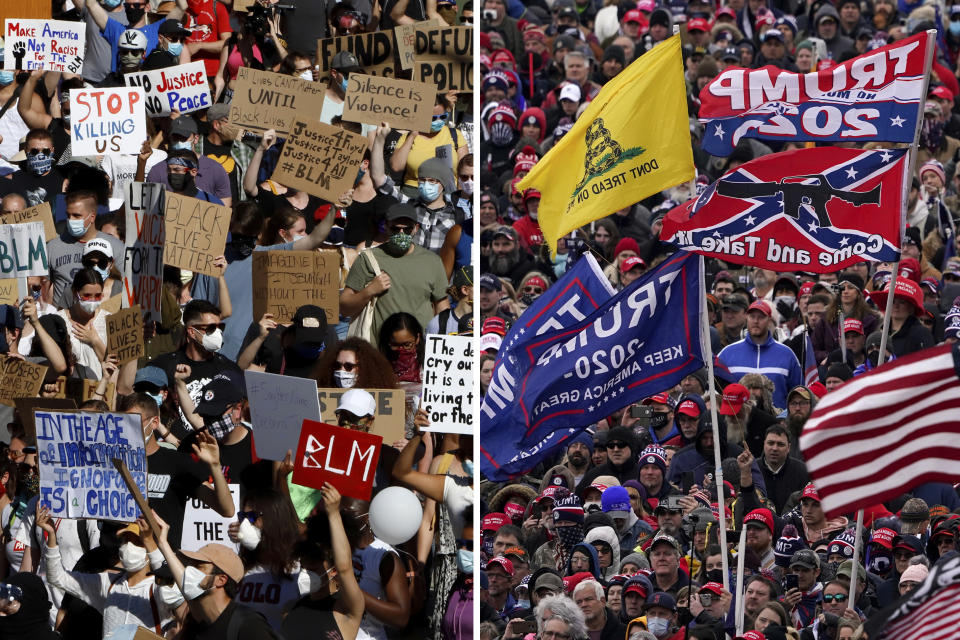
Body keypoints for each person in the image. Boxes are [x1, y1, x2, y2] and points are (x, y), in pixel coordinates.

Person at [718, 300, 803, 409]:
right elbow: (716, 393)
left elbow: (798, 393)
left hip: (777, 422)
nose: (756, 321)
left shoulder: (787, 354)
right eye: (752, 316)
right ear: (746, 319)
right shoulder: (727, 353)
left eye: (761, 317)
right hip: (739, 422)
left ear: (769, 321)